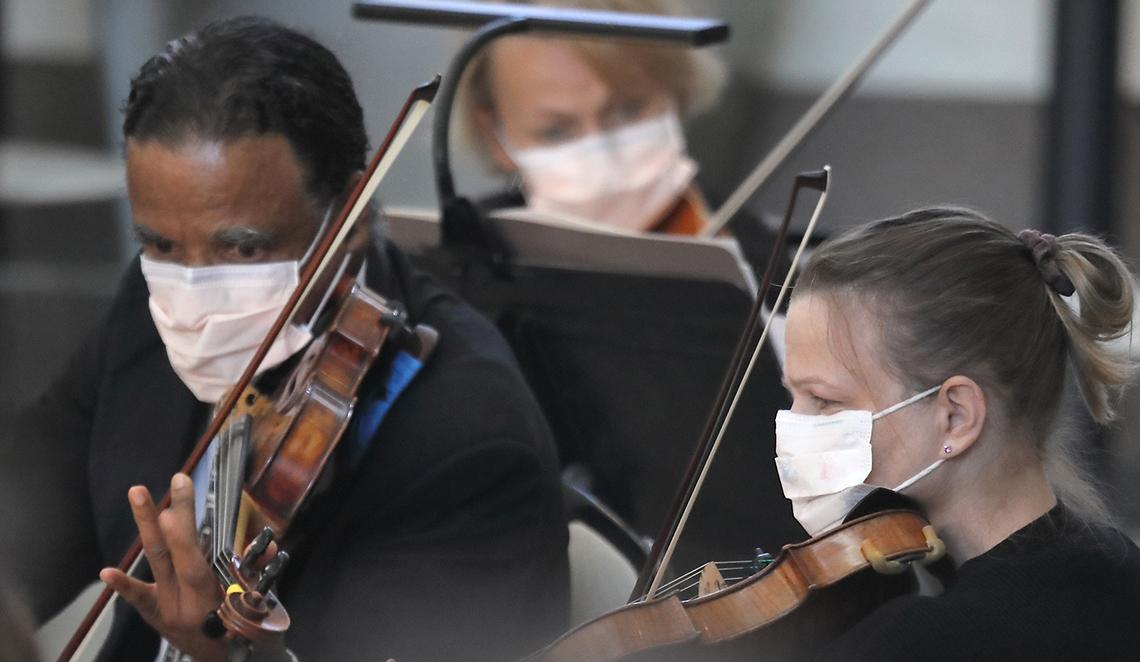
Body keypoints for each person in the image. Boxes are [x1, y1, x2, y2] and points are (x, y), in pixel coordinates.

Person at [0, 16, 569, 662]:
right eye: (160, 243)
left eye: (241, 248)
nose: (192, 293)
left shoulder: (470, 438)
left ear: (349, 219)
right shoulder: (148, 302)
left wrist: (236, 656)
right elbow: (33, 498)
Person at [774, 207, 1140, 660]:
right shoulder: (1114, 566)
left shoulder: (923, 641)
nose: (793, 426)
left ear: (956, 417)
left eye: (825, 401)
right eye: (793, 396)